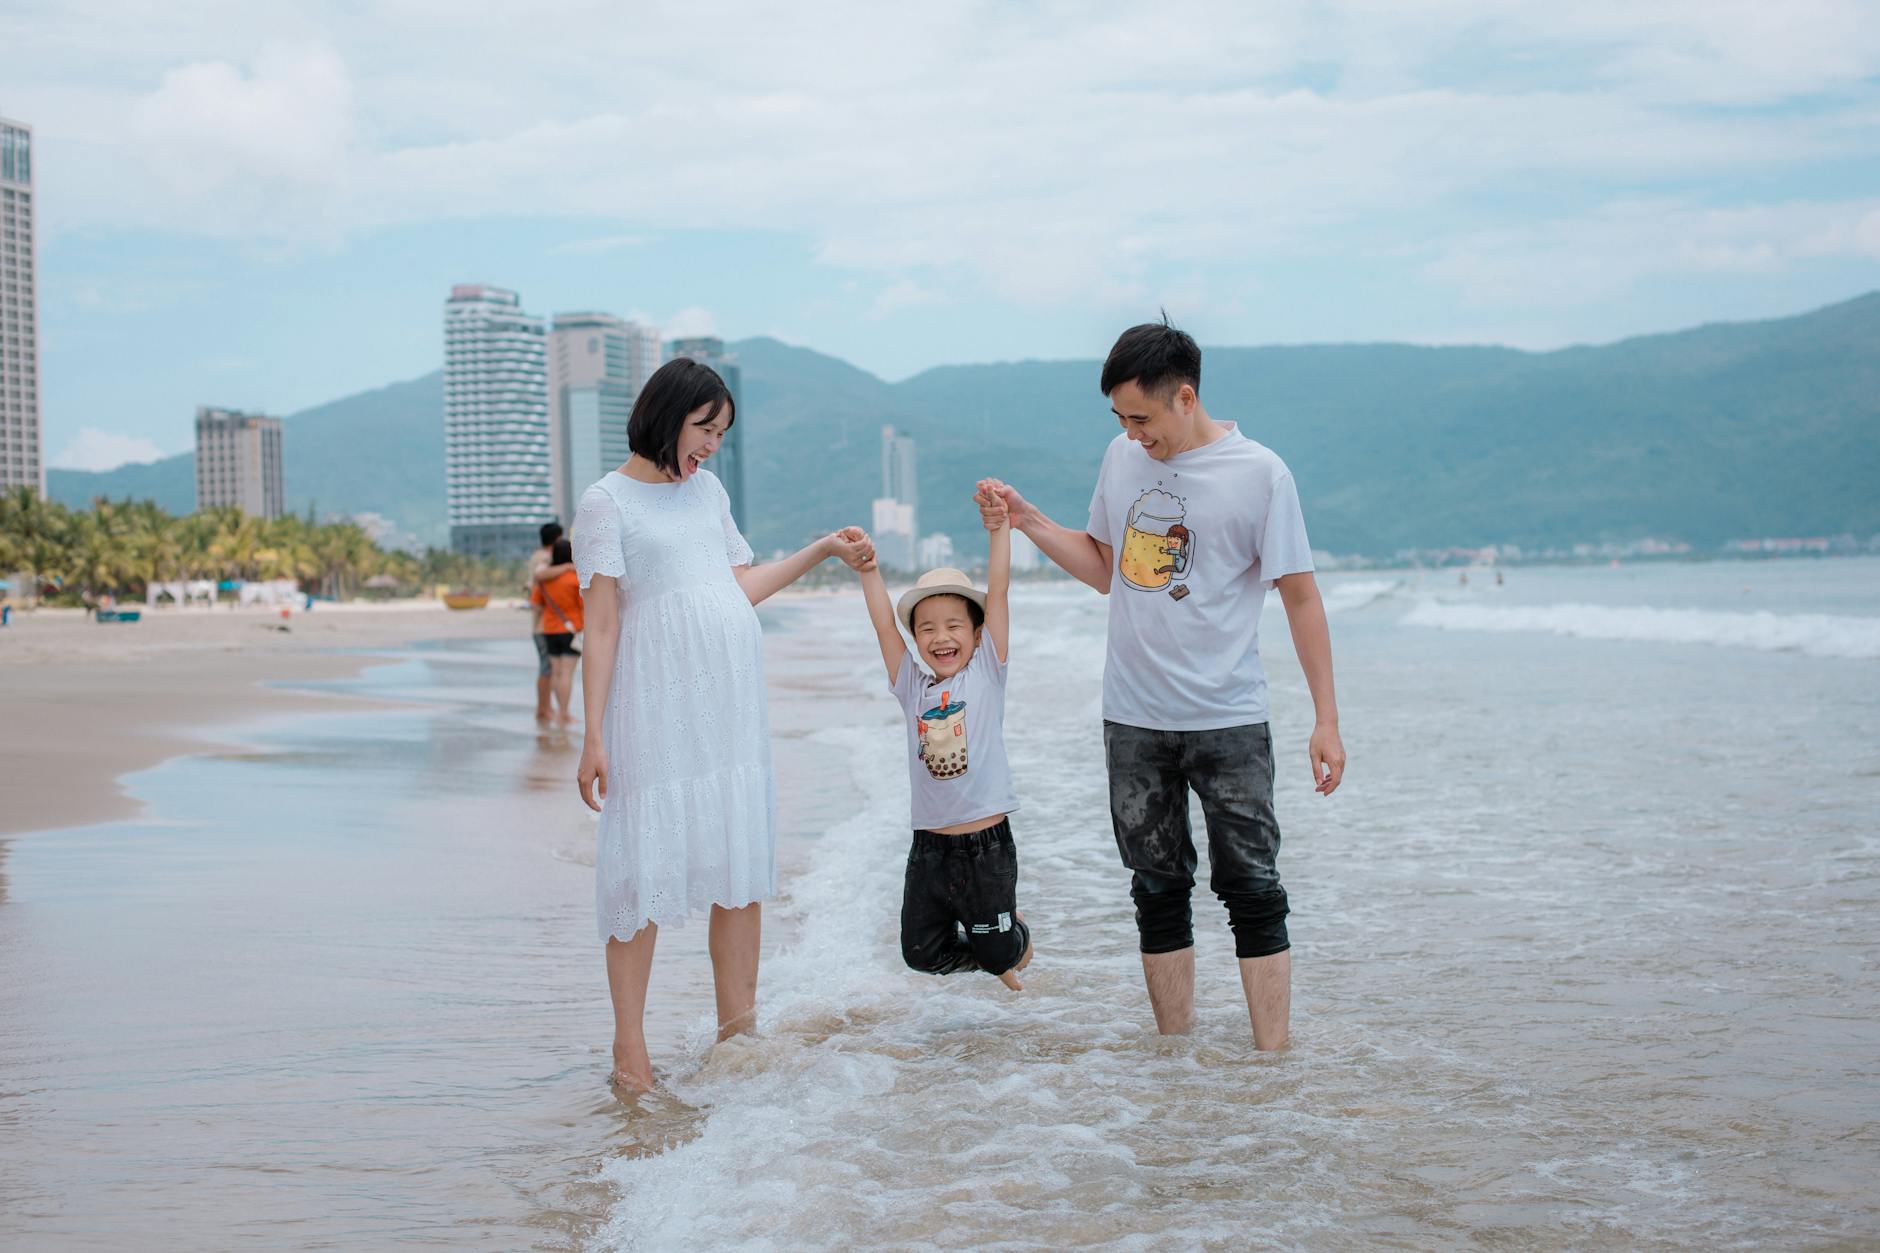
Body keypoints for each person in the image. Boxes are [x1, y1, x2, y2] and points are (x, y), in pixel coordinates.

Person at [978, 316, 1346, 1050]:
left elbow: (1301, 598)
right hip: (1134, 718)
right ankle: (1176, 1065)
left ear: (1184, 396)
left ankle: (1272, 1064)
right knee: (1157, 891)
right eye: (1120, 418)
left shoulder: (1261, 474)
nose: (1131, 433)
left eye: (1141, 417)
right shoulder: (1122, 459)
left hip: (1229, 717)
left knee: (1253, 890)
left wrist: (1326, 718)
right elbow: (1106, 570)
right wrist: (1027, 521)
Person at [572, 357, 873, 1092]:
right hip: (653, 706)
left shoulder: (707, 491)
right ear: (665, 414)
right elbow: (603, 624)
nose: (711, 444)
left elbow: (739, 586)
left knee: (738, 873)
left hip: (728, 708)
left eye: (721, 433)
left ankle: (739, 1039)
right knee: (640, 873)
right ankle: (630, 1052)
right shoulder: (606, 502)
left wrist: (822, 549)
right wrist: (593, 734)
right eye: (704, 428)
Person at [849, 484, 1034, 990]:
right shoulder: (912, 686)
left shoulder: (986, 674)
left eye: (955, 625)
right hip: (928, 845)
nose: (941, 637)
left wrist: (999, 531)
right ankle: (992, 954)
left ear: (977, 636)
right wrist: (869, 572)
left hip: (986, 845)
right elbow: (884, 625)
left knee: (1002, 955)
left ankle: (1011, 941)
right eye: (927, 629)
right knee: (920, 954)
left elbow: (998, 592)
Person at [529, 536, 583, 726]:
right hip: (571, 630)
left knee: (557, 672)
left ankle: (559, 711)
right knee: (567, 674)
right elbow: (583, 605)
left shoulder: (545, 581)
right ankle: (564, 713)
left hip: (549, 629)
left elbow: (535, 605)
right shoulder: (574, 579)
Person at [527, 522, 565, 724]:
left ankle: (544, 708)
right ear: (557, 539)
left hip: (542, 623)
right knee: (547, 667)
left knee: (547, 667)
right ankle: (544, 708)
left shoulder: (536, 556)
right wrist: (567, 566)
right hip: (544, 624)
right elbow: (539, 575)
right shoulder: (544, 558)